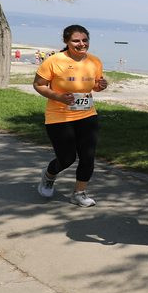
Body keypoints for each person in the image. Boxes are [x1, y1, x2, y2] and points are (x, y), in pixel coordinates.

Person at [32, 25, 108, 206]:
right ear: (66, 42)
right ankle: (49, 175)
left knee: (88, 156)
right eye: (76, 40)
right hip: (59, 117)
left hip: (87, 114)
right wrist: (58, 96)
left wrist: (100, 85)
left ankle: (79, 193)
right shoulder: (54, 61)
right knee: (67, 158)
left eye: (85, 40)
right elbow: (38, 84)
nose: (81, 44)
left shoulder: (94, 61)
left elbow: (94, 85)